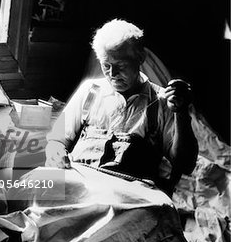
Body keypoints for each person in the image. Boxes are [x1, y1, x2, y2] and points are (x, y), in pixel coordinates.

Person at [45, 18, 198, 192]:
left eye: (121, 66)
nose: (113, 74)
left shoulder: (163, 102)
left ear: (140, 58)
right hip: (83, 186)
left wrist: (181, 113)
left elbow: (185, 165)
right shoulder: (90, 91)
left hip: (130, 195)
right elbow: (56, 140)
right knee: (30, 190)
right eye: (106, 65)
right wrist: (55, 152)